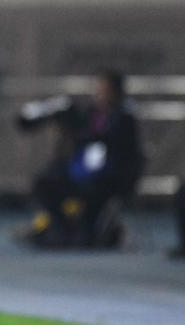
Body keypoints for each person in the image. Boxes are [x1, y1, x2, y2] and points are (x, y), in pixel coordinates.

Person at [17, 70, 144, 249]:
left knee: (91, 200)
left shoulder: (124, 117)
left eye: (104, 90)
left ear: (116, 92)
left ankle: (89, 231)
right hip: (84, 173)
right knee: (45, 182)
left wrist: (83, 136)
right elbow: (81, 133)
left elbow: (109, 143)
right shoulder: (92, 112)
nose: (98, 94)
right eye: (98, 89)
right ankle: (62, 227)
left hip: (109, 178)